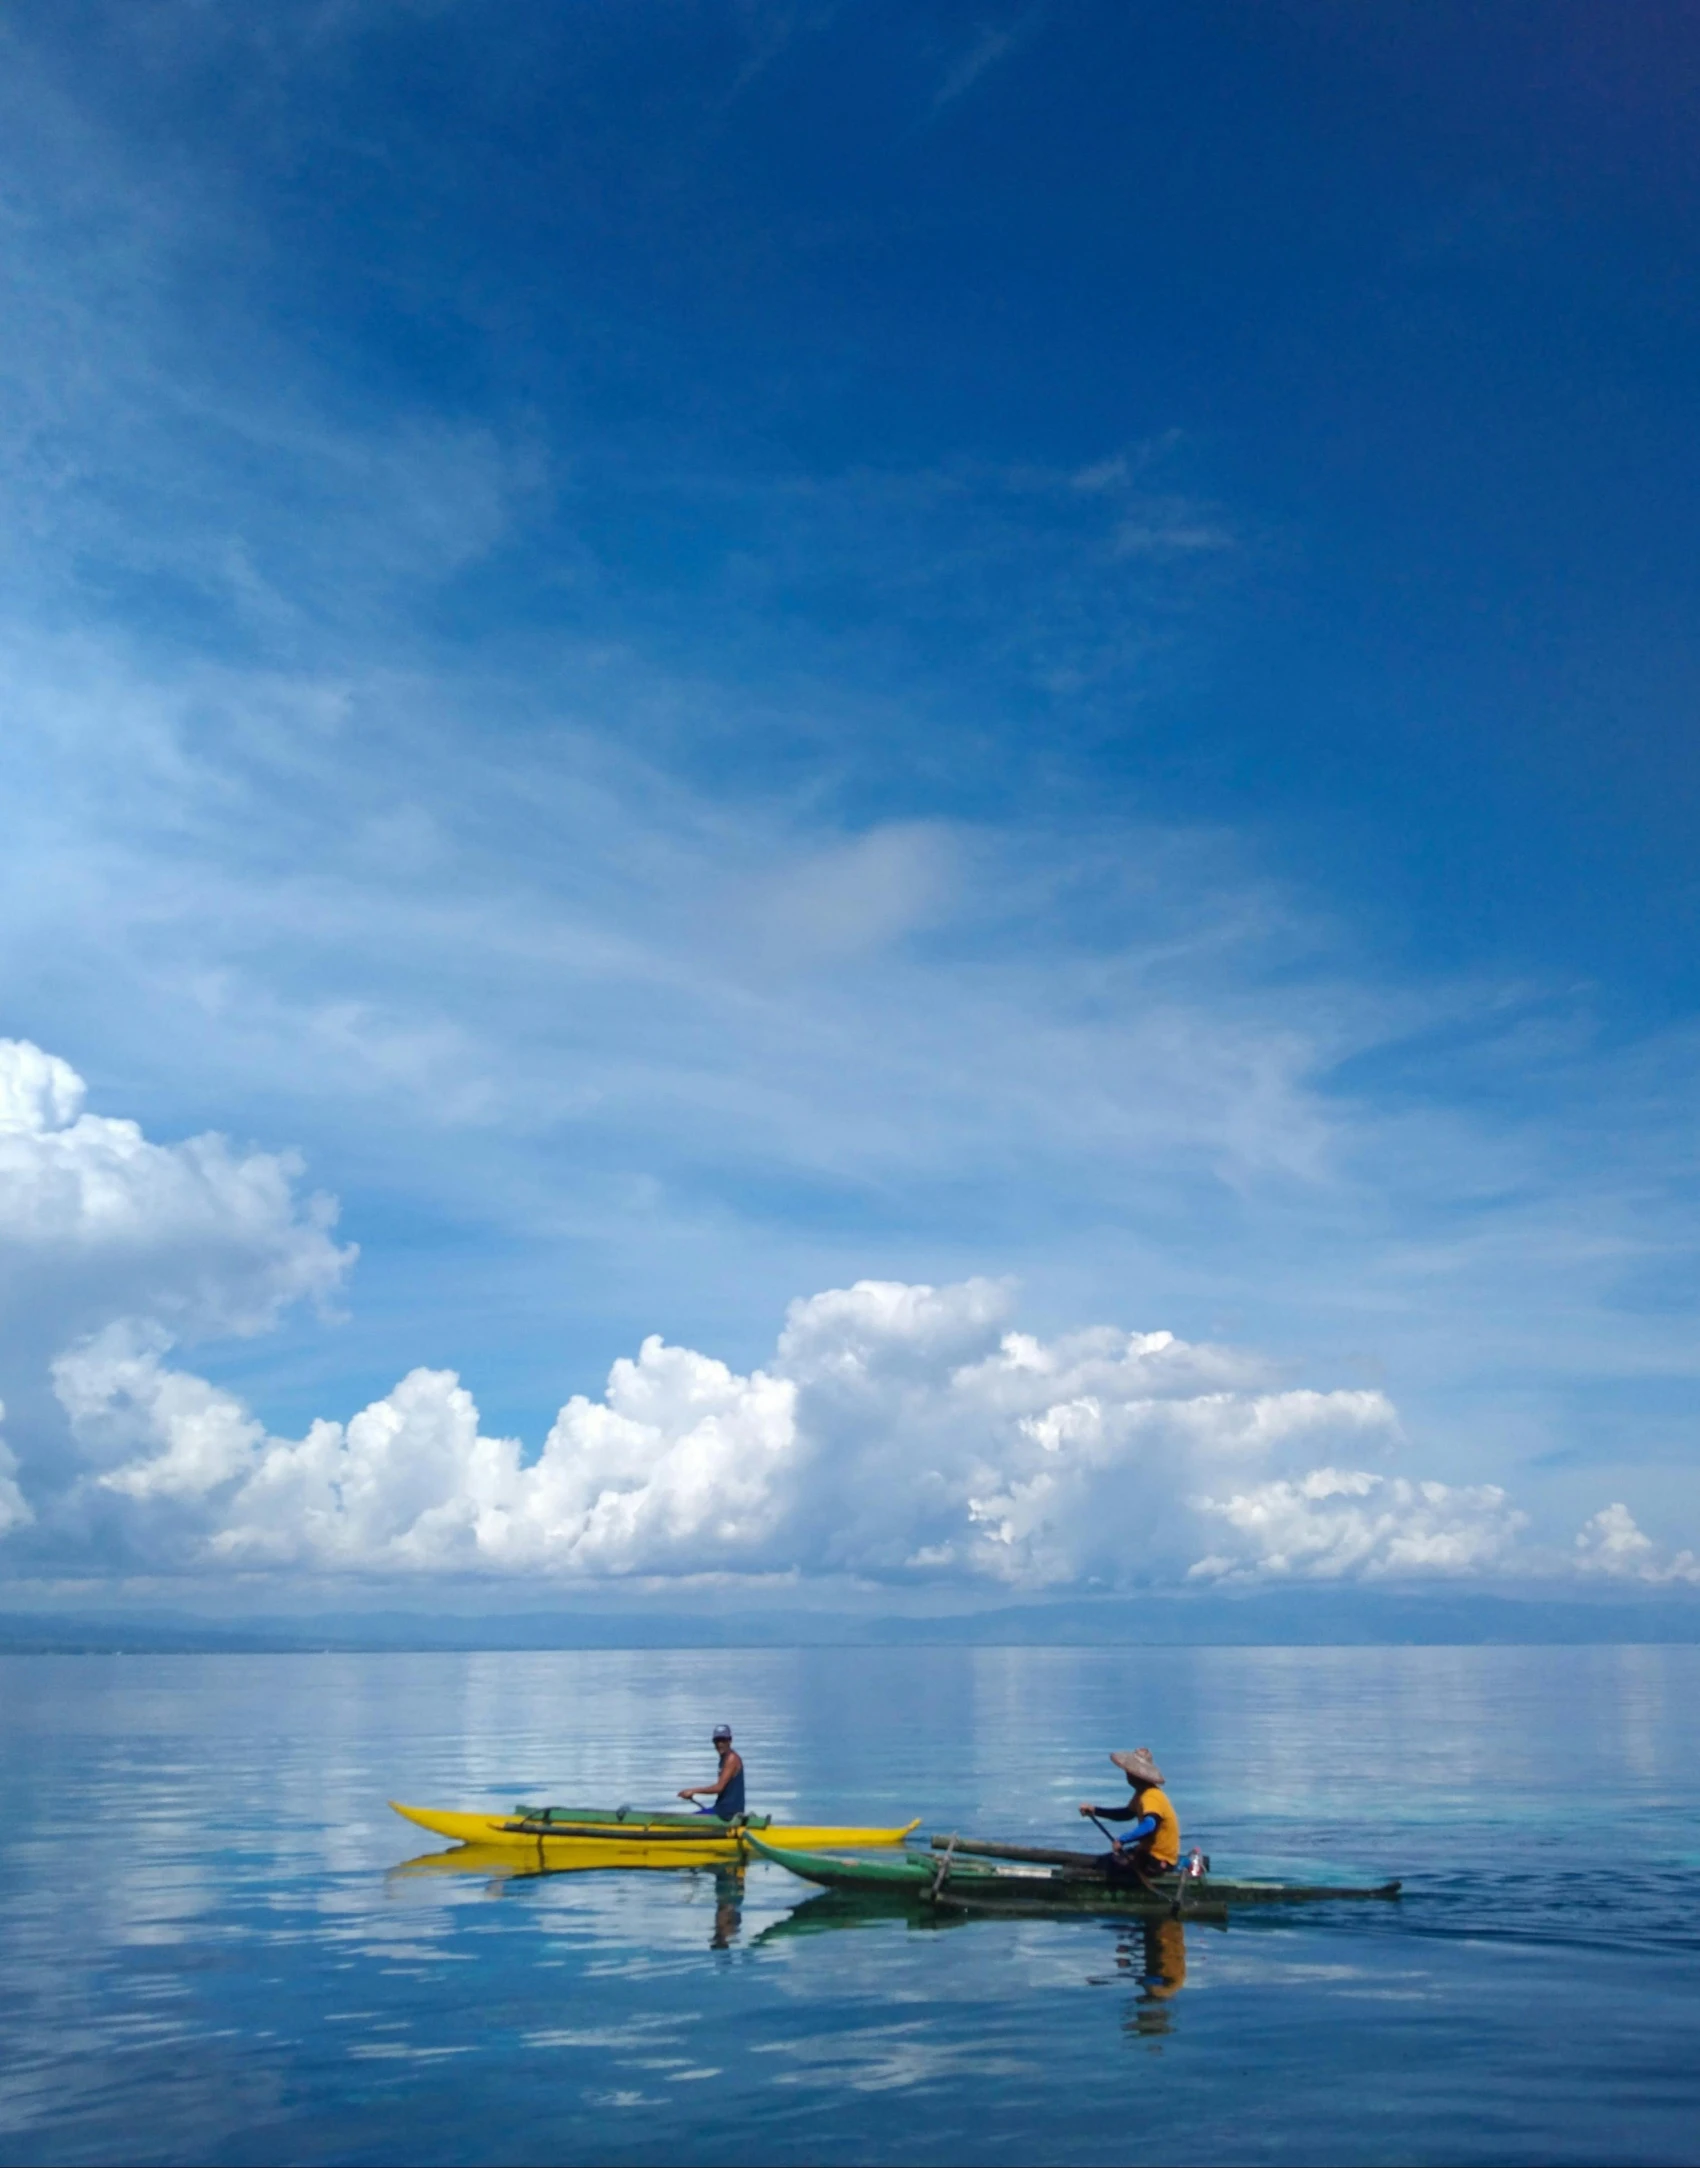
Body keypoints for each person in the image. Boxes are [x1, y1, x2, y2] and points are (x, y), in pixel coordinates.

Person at [1079, 1747, 1180, 1876]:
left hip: (1158, 1859)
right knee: (1104, 1861)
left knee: (1109, 1866)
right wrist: (1095, 1810)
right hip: (1147, 1853)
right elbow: (1126, 1814)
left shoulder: (1151, 1796)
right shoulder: (1141, 1794)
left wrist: (1122, 1839)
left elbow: (1150, 1825)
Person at [678, 1723, 746, 1819]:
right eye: (717, 1741)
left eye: (723, 1740)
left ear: (730, 1741)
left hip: (728, 1813)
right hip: (721, 1809)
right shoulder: (724, 1758)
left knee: (685, 1820)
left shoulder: (731, 1759)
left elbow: (718, 1788)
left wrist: (693, 1791)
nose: (719, 1744)